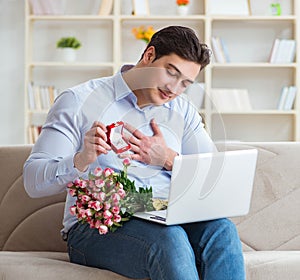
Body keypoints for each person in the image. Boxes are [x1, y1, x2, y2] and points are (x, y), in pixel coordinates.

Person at [23, 25, 245, 280]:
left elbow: (213, 178)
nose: (174, 89)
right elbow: (33, 182)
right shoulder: (79, 101)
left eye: (185, 83)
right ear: (149, 55)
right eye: (171, 73)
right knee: (168, 240)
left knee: (222, 231)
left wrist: (168, 159)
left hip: (166, 217)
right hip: (98, 227)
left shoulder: (182, 112)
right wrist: (81, 159)